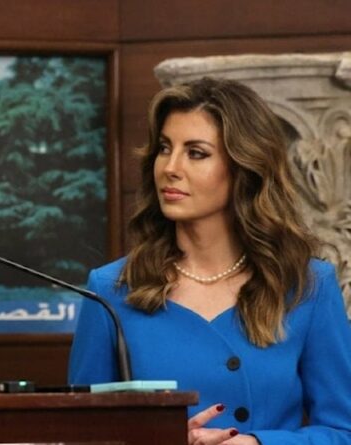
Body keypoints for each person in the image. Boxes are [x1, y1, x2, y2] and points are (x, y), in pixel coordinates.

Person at [69, 77, 351, 444]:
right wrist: (161, 440)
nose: (170, 167)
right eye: (164, 148)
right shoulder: (111, 290)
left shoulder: (307, 286)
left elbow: (344, 431)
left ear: (243, 167)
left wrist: (258, 443)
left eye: (196, 153)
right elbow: (80, 435)